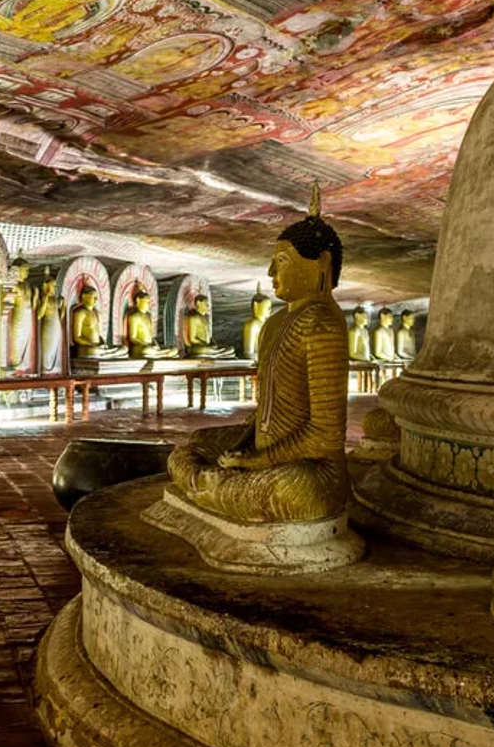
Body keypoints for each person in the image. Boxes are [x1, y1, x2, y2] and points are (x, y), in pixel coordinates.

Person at [166, 189, 349, 522]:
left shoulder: (323, 324)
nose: (269, 272)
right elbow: (267, 408)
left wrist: (257, 462)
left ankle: (214, 486)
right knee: (190, 447)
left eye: (281, 261)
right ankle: (220, 486)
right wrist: (244, 441)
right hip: (264, 450)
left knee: (297, 491)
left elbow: (326, 435)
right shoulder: (276, 321)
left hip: (308, 469)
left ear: (320, 263)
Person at [71, 285, 126, 359]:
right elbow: (77, 337)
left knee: (124, 348)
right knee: (93, 351)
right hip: (86, 348)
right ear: (84, 296)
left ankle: (106, 354)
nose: (96, 299)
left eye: (97, 297)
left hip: (98, 347)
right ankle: (107, 354)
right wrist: (91, 344)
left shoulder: (97, 313)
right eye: (93, 297)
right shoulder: (80, 313)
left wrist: (102, 343)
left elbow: (99, 335)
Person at [124, 289, 177, 359]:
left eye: (149, 302)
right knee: (147, 350)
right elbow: (132, 338)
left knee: (174, 349)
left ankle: (159, 354)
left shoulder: (149, 316)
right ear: (138, 300)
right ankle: (161, 354)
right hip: (140, 347)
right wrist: (146, 344)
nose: (149, 304)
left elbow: (151, 336)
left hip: (151, 346)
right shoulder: (134, 316)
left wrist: (155, 344)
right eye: (147, 302)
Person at [184, 293, 233, 359]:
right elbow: (192, 339)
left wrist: (213, 343)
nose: (208, 306)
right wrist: (204, 344)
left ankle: (216, 353)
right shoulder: (194, 318)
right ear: (198, 303)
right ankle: (216, 353)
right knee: (204, 350)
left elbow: (209, 336)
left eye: (208, 304)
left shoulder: (206, 317)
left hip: (209, 346)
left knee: (230, 349)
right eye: (205, 304)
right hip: (199, 347)